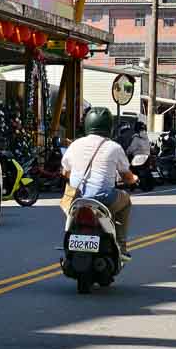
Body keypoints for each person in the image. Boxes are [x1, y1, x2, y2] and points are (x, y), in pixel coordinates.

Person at [60, 107, 138, 256]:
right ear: (109, 126)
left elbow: (65, 171)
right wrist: (134, 179)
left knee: (71, 213)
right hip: (103, 199)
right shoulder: (114, 147)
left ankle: (69, 239)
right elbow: (127, 177)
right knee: (126, 201)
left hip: (78, 199)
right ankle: (121, 247)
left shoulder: (75, 144)